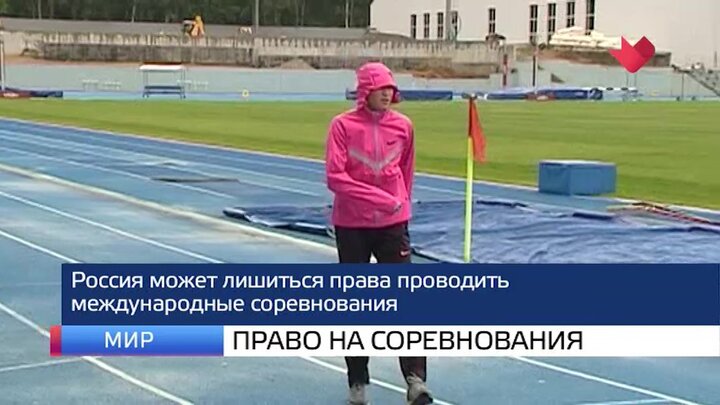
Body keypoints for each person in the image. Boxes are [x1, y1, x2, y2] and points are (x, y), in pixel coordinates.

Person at [325, 61, 433, 405]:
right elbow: (335, 178)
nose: (387, 93)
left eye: (390, 87)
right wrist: (382, 199)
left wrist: (401, 205)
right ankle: (358, 383)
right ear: (365, 91)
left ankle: (416, 381)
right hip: (352, 225)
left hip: (392, 225)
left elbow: (407, 170)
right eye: (379, 88)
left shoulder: (404, 126)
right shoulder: (342, 126)